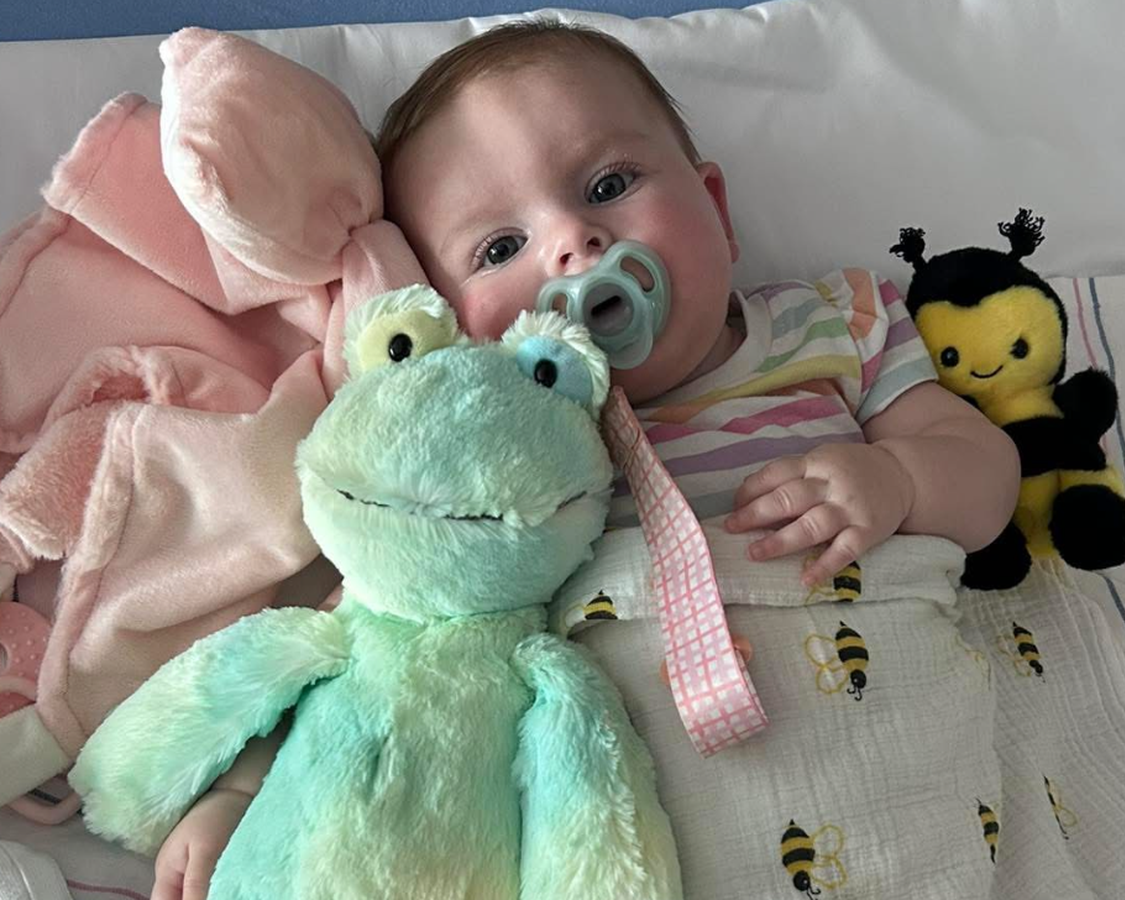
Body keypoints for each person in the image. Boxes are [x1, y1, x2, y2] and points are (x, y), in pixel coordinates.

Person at [151, 20, 1019, 900]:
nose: (572, 240)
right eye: (499, 248)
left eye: (610, 184)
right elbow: (374, 634)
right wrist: (244, 793)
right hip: (637, 827)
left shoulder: (831, 325)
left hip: (890, 747)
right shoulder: (494, 450)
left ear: (716, 211)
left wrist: (900, 479)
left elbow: (986, 480)